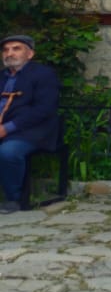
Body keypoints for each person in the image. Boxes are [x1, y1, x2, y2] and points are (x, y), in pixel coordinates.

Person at [0, 34, 60, 214]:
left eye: (16, 48)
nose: (9, 53)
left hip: (32, 131)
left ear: (30, 54)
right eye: (6, 50)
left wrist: (6, 128)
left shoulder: (44, 75)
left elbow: (44, 109)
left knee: (8, 152)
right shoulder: (1, 77)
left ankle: (14, 198)